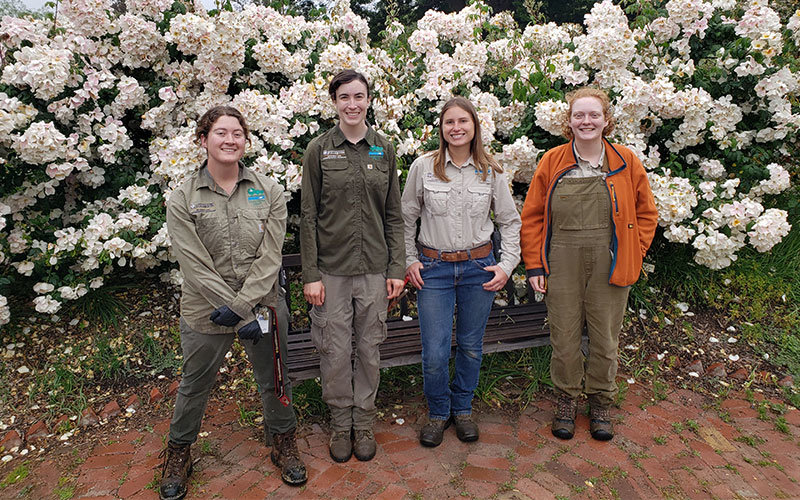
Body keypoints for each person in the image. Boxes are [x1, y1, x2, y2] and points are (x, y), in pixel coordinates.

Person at [162, 106, 306, 500]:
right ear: (203, 139)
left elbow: (270, 256)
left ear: (246, 140)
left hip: (262, 308)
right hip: (205, 311)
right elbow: (193, 262)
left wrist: (244, 307)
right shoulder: (183, 197)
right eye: (221, 133)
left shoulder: (269, 190)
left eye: (237, 133)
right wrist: (231, 306)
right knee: (194, 384)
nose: (230, 140)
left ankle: (283, 441)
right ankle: (179, 452)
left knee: (275, 379)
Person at [520, 87, 658, 441]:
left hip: (609, 261)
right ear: (569, 122)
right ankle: (566, 399)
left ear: (606, 120)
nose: (586, 121)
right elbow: (533, 217)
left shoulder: (625, 162)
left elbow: (646, 214)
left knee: (605, 339)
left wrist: (634, 252)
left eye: (593, 115)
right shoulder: (552, 162)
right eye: (579, 115)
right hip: (560, 259)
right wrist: (535, 266)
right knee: (564, 336)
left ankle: (600, 402)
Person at [402, 96, 521, 447]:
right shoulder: (423, 168)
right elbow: (405, 218)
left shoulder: (491, 170)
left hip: (478, 269)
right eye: (449, 122)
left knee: (470, 346)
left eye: (463, 122)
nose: (456, 128)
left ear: (474, 127)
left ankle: (464, 409)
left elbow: (510, 222)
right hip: (434, 270)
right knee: (435, 351)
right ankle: (439, 413)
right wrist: (409, 260)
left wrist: (506, 264)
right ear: (441, 128)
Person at [300, 69, 405, 463]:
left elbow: (393, 215)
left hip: (375, 270)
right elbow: (308, 216)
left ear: (369, 100)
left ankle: (364, 423)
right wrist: (310, 274)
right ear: (334, 102)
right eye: (344, 97)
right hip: (332, 272)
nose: (352, 104)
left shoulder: (384, 148)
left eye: (359, 96)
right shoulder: (318, 150)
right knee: (335, 349)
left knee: (370, 347)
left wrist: (397, 267)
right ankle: (340, 423)